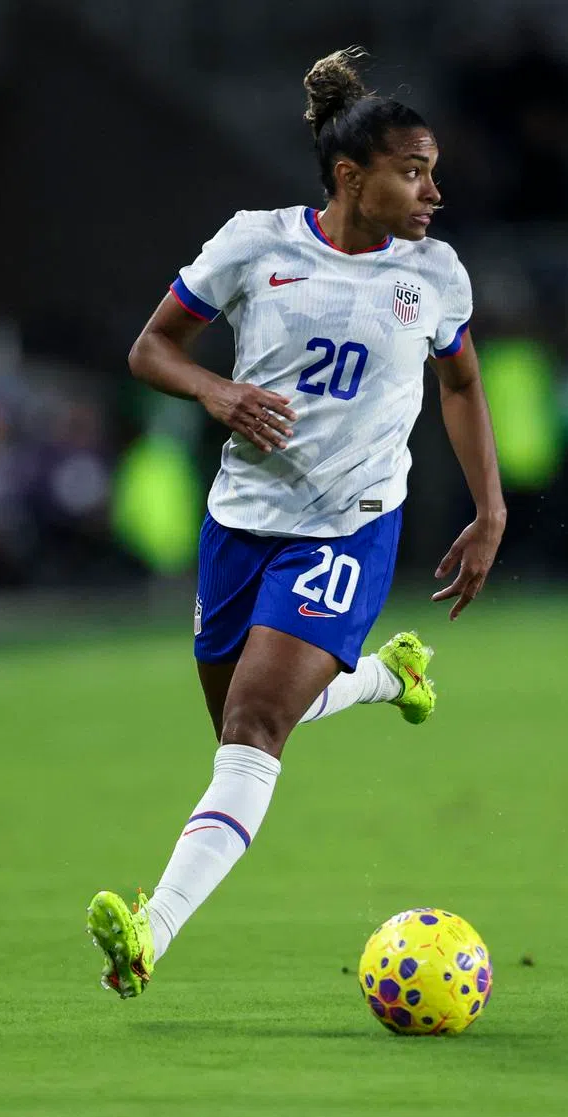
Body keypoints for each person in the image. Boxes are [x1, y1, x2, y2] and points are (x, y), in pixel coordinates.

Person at [87, 47, 507, 999]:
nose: (434, 191)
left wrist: (491, 508)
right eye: (414, 172)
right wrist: (218, 392)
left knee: (255, 724)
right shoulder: (256, 246)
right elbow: (151, 349)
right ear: (351, 177)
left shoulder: (433, 274)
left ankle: (150, 934)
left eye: (434, 171)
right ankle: (384, 678)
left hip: (350, 527)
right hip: (240, 522)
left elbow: (462, 384)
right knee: (246, 719)